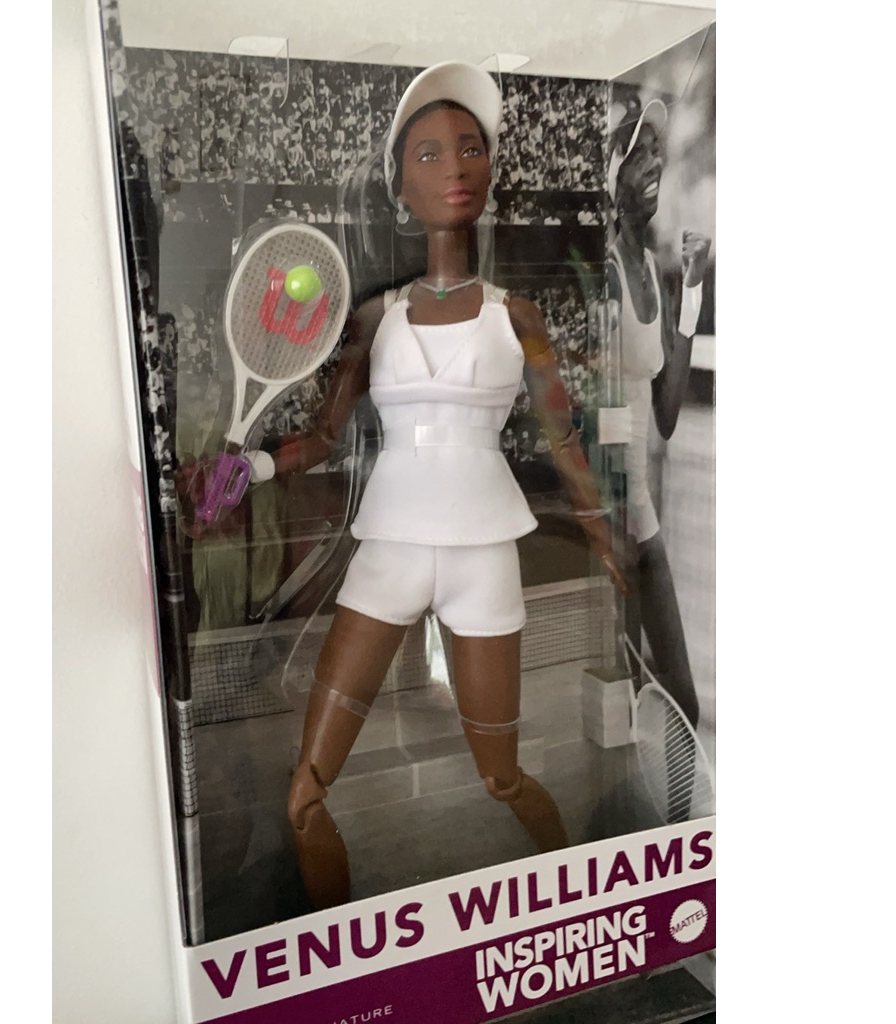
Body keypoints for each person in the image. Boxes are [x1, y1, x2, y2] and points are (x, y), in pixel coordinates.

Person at [222, 63, 626, 910]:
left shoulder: (518, 317)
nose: (455, 167)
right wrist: (251, 468)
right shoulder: (375, 318)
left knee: (503, 778)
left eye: (470, 148)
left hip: (486, 553)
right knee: (305, 792)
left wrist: (602, 534)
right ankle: (334, 960)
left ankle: (583, 909)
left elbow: (562, 436)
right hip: (388, 553)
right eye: (430, 153)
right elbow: (325, 438)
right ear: (399, 186)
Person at [605, 93, 711, 735]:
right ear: (611, 173)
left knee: (682, 707)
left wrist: (692, 289)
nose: (654, 165)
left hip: (639, 517)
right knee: (625, 701)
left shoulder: (650, 267)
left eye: (656, 152)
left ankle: (669, 797)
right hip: (605, 518)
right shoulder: (601, 270)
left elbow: (667, 413)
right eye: (638, 154)